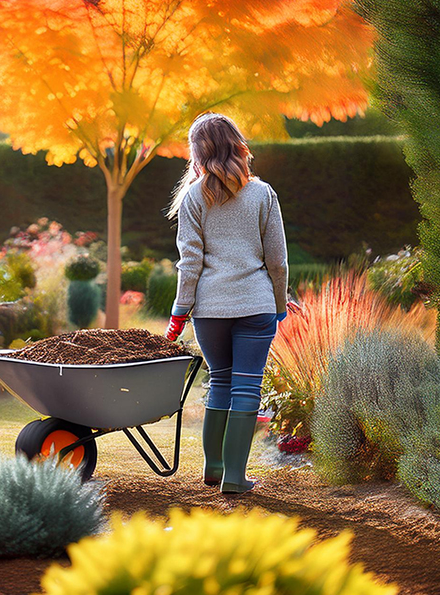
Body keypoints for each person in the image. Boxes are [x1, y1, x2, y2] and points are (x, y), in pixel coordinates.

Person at [164, 112, 288, 494]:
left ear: (196, 151)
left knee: (220, 380)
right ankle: (235, 477)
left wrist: (179, 312)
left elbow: (190, 262)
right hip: (255, 306)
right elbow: (277, 261)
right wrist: (279, 304)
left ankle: (214, 468)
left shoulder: (192, 197)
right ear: (238, 145)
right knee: (247, 386)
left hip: (210, 310)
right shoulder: (262, 194)